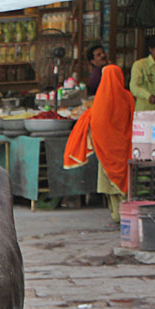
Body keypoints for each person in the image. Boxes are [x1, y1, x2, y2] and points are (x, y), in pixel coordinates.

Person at [64, 64, 133, 223]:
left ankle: (116, 215)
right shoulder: (128, 97)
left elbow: (96, 124)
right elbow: (133, 120)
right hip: (124, 148)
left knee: (110, 185)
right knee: (124, 181)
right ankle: (125, 215)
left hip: (105, 150)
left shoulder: (100, 100)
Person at [129, 36, 155, 111]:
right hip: (145, 112)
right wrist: (148, 96)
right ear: (151, 49)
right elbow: (134, 87)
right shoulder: (140, 65)